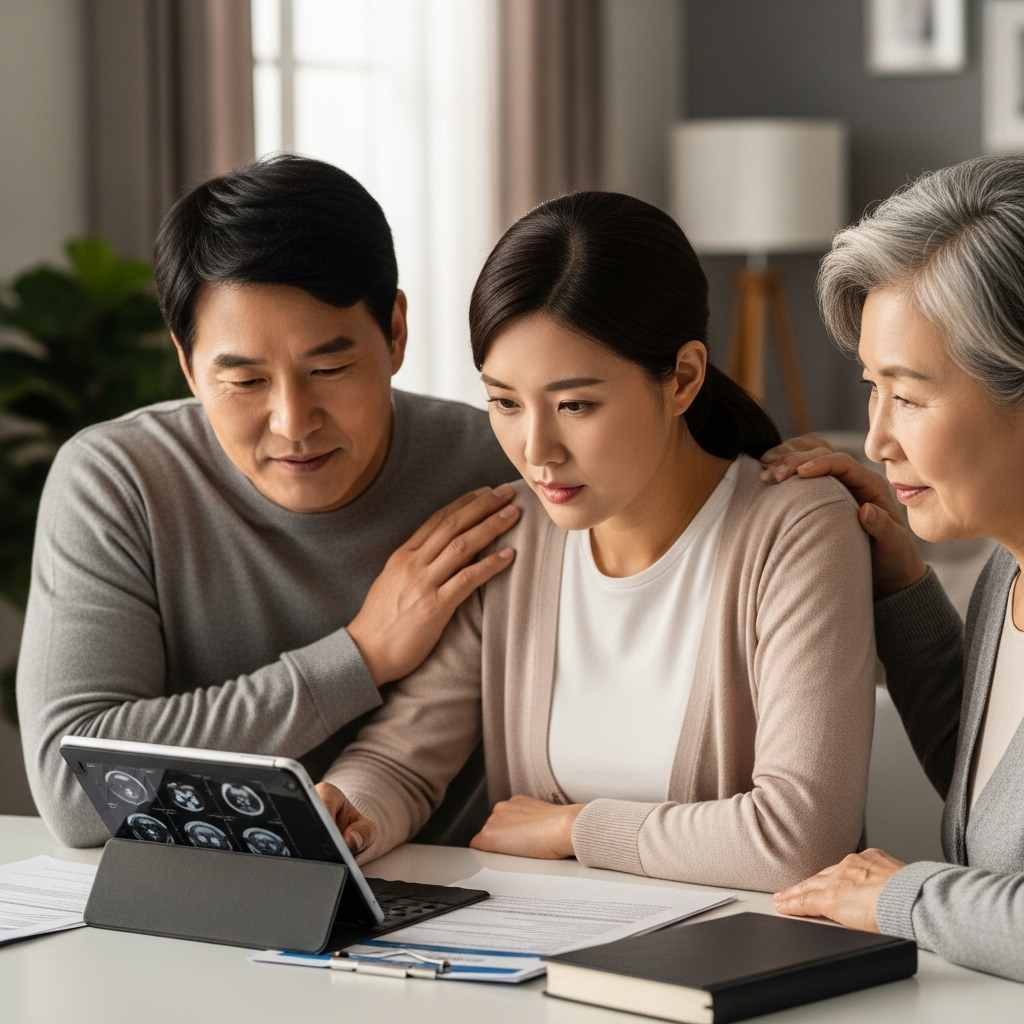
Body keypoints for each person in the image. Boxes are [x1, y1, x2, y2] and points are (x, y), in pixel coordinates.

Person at [314, 191, 878, 892]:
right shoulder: (510, 535)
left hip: (742, 972)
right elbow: (403, 760)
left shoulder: (795, 530)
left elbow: (800, 837)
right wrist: (349, 809)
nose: (536, 449)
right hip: (544, 966)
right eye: (505, 402)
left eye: (576, 405)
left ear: (684, 378)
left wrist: (571, 828)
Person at [17, 156, 519, 847]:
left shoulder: (501, 466)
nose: (293, 421)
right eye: (246, 381)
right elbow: (78, 791)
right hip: (199, 902)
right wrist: (361, 655)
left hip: (464, 892)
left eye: (330, 369)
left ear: (396, 332)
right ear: (189, 366)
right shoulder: (120, 482)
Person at [764, 155, 1024, 983]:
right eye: (872, 388)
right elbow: (995, 801)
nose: (877, 441)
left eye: (909, 396)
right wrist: (902, 581)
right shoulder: (1005, 573)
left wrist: (901, 895)